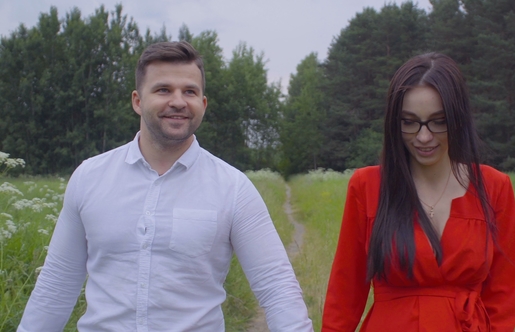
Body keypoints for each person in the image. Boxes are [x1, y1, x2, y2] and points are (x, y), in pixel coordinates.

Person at [18, 41, 312, 331]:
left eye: (190, 92)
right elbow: (57, 284)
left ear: (203, 104)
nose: (178, 101)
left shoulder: (233, 188)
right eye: (163, 90)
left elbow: (277, 287)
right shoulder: (89, 177)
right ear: (137, 100)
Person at [322, 53, 515, 331]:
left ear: (458, 118)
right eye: (409, 122)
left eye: (438, 121)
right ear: (395, 123)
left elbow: (504, 292)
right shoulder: (366, 186)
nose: (423, 137)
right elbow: (345, 291)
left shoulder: (494, 187)